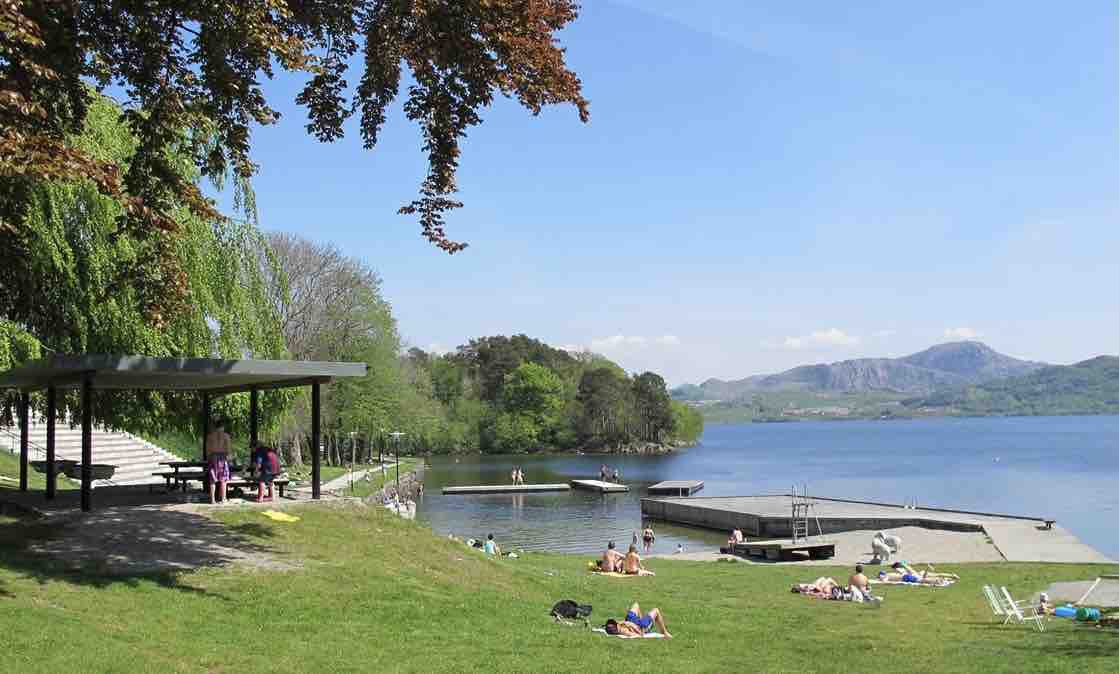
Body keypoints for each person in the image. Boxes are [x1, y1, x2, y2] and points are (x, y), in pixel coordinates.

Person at [205, 418, 232, 504]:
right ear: (223, 427)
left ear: (215, 427)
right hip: (222, 458)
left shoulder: (210, 436)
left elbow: (207, 450)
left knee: (212, 479)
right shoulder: (226, 436)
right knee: (223, 479)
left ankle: (212, 499)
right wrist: (229, 458)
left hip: (213, 457)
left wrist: (210, 457)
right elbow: (228, 449)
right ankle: (223, 499)